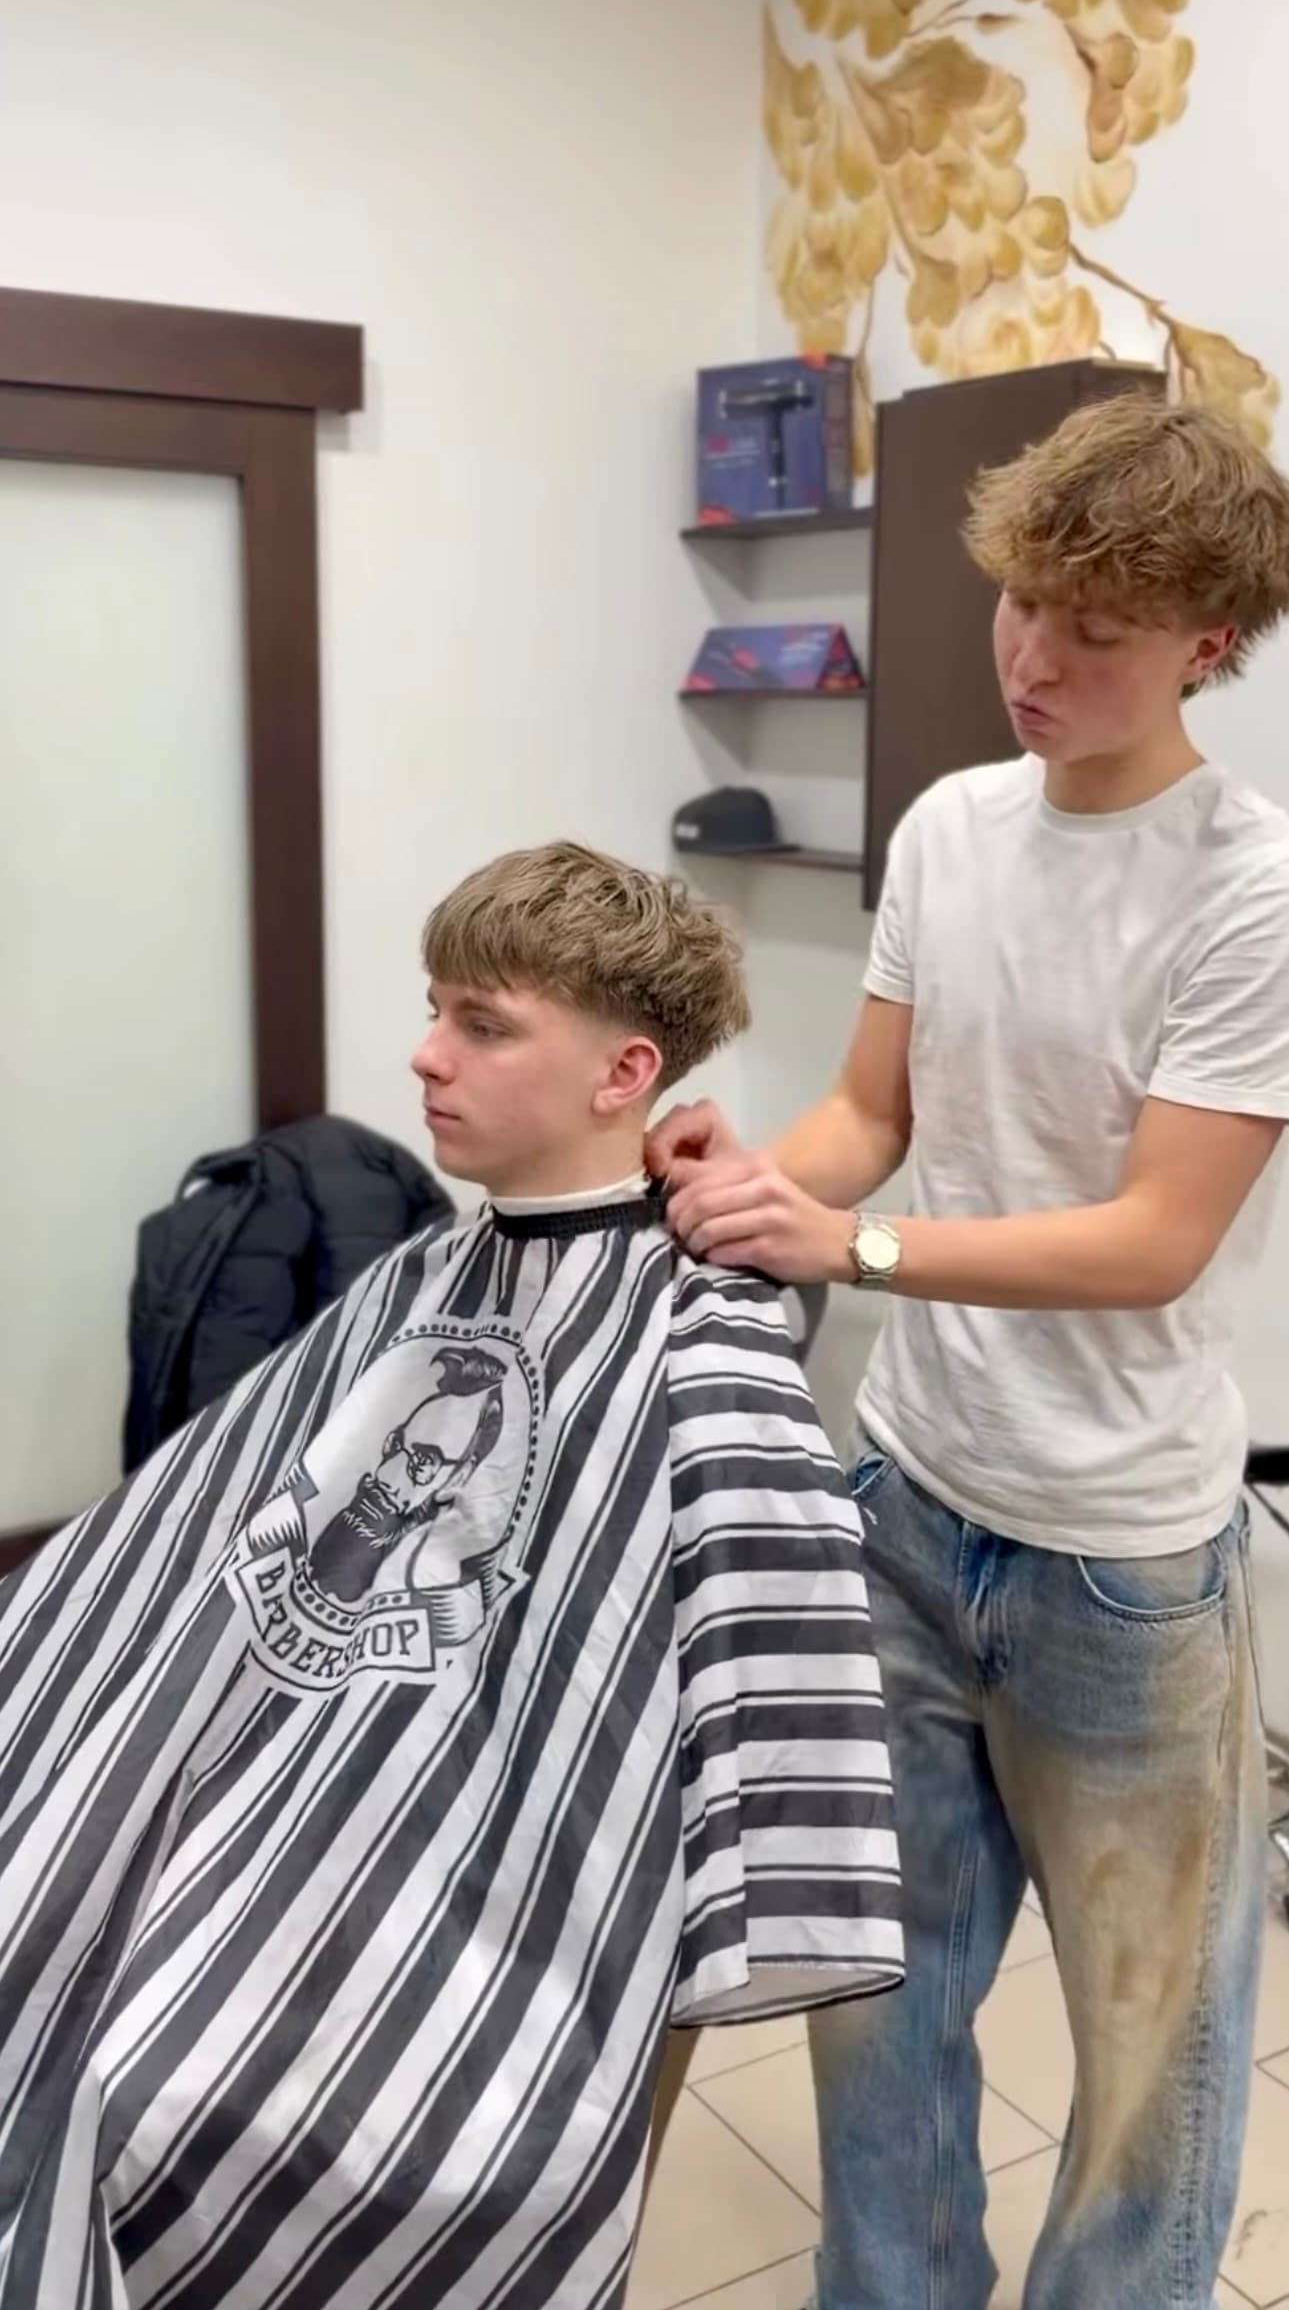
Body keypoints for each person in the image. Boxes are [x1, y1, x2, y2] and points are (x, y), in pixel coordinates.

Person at [0, 840, 901, 2310]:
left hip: (484, 1897)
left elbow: (761, 1715)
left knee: (152, 2084)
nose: (423, 1057)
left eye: (482, 1025)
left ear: (623, 1074)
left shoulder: (707, 1343)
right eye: (435, 1008)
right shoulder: (425, 1275)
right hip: (288, 1811)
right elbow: (190, 1548)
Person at [648, 394, 1289, 2310]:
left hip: (1119, 1563)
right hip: (903, 1514)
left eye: (1093, 627)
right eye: (1020, 604)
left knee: (1142, 2082)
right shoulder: (947, 826)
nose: (1032, 655)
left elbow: (1151, 1238)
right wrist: (757, 1186)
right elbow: (870, 1115)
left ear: (1208, 644)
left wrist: (852, 1242)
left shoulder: (1249, 889)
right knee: (876, 2008)